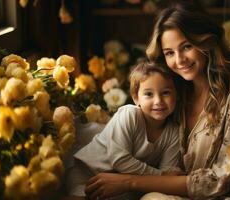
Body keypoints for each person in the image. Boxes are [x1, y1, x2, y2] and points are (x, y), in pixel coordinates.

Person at [84, 2, 230, 200]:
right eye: (169, 53)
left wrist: (128, 181)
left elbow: (219, 181)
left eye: (187, 46)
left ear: (206, 42)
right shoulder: (174, 98)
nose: (179, 59)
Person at [64, 60, 182, 200]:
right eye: (149, 94)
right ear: (136, 98)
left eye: (166, 93)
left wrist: (169, 175)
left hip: (120, 185)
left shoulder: (174, 132)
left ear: (177, 95)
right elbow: (120, 160)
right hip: (88, 173)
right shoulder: (129, 115)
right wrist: (160, 175)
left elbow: (169, 173)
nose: (158, 101)